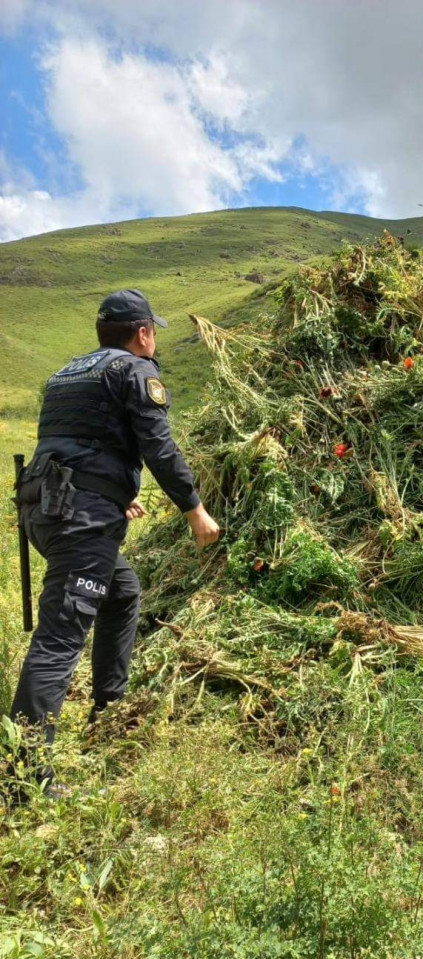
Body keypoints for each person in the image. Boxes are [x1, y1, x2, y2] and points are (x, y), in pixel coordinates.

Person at [10, 289, 219, 795]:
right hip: (79, 519)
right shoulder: (134, 371)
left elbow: (75, 445)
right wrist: (195, 511)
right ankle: (22, 775)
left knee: (121, 591)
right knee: (60, 635)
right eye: (152, 333)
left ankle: (108, 708)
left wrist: (111, 494)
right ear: (142, 333)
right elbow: (158, 446)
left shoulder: (66, 374)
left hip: (44, 506)